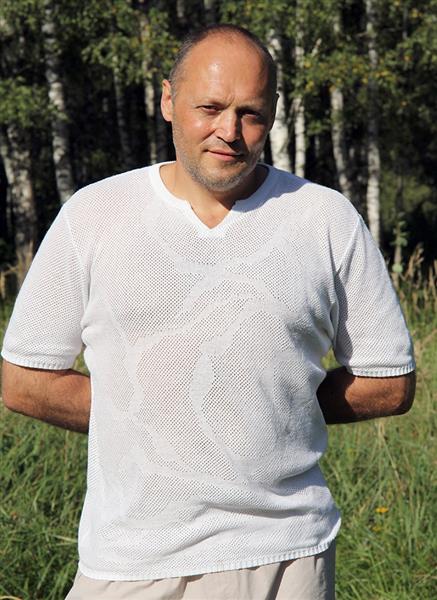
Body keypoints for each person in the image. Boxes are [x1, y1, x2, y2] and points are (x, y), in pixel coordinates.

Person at [1, 24, 415, 600]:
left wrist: (267, 403)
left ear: (273, 114)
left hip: (286, 555)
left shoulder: (325, 219)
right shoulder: (93, 215)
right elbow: (24, 382)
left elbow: (389, 383)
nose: (230, 131)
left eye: (251, 114)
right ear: (168, 100)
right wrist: (154, 410)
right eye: (210, 108)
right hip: (130, 559)